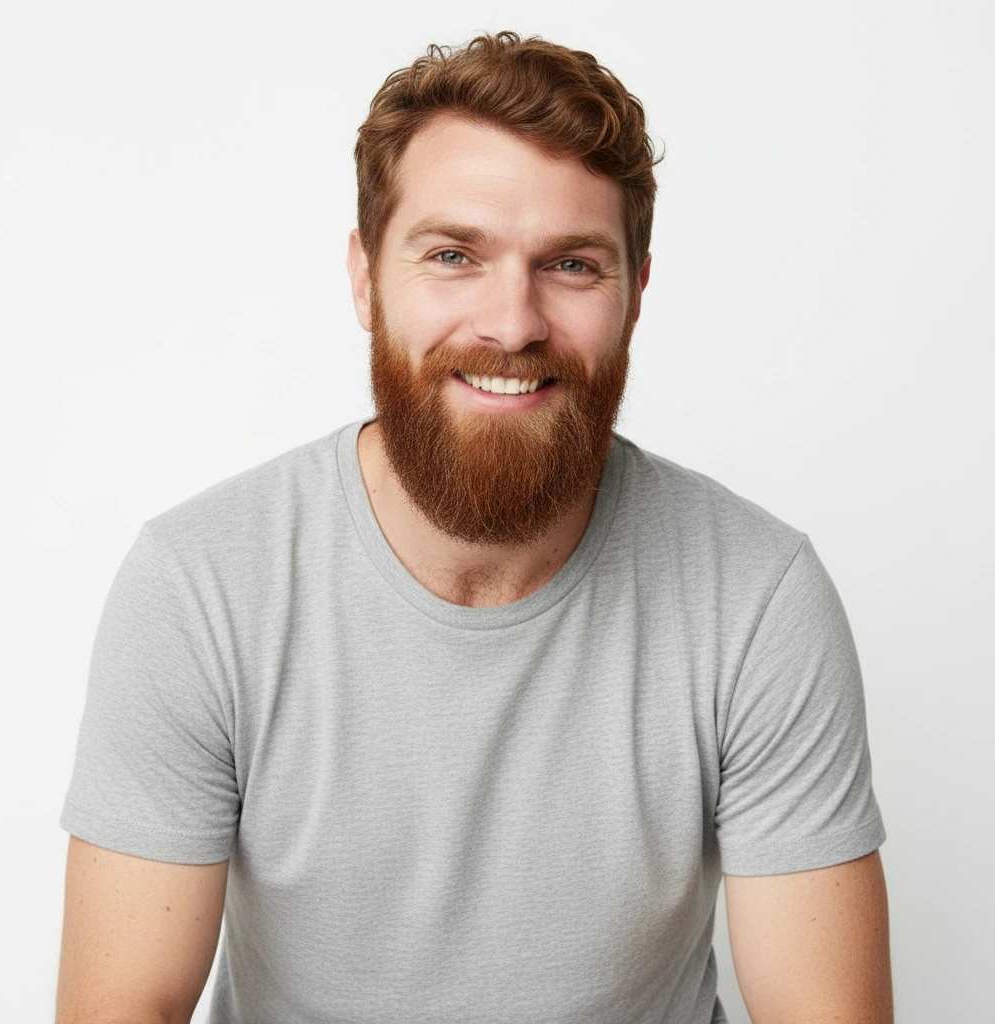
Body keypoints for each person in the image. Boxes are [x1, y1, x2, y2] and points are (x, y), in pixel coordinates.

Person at [55, 30, 893, 1024]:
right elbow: (121, 1005)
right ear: (366, 278)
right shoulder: (200, 585)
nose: (512, 323)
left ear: (635, 294)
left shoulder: (757, 598)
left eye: (572, 265)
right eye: (453, 254)